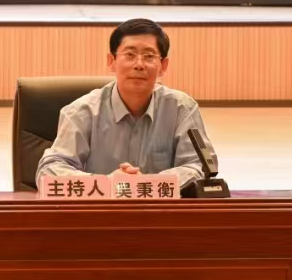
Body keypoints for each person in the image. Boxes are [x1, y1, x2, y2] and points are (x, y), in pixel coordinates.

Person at [36, 18, 217, 187]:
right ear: (112, 61)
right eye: (130, 55)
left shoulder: (182, 109)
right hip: (101, 207)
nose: (139, 64)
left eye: (149, 56)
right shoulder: (82, 111)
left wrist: (147, 184)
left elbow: (199, 165)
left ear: (163, 66)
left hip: (159, 208)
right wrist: (107, 184)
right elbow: (49, 170)